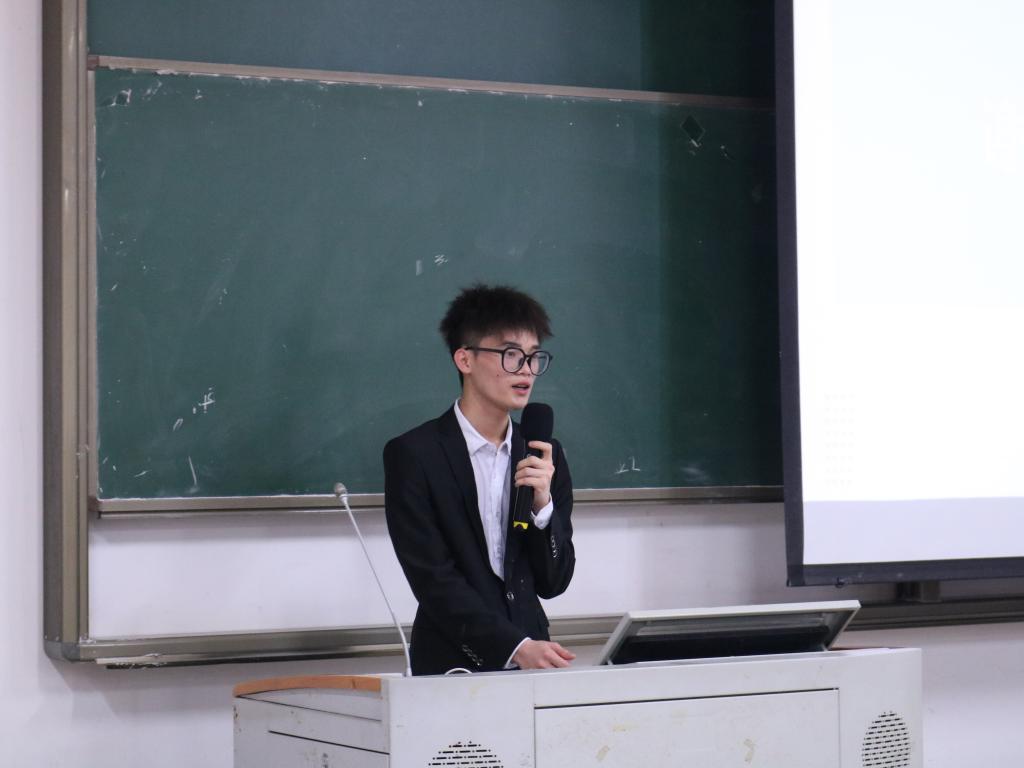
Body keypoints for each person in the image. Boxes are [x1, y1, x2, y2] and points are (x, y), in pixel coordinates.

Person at [383, 284, 576, 675]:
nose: (526, 370)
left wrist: (542, 508)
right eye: (510, 354)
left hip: (534, 664)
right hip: (452, 664)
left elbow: (553, 582)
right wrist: (515, 647)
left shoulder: (543, 454)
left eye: (534, 356)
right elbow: (433, 579)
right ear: (465, 359)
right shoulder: (415, 455)